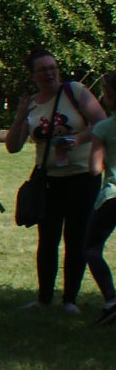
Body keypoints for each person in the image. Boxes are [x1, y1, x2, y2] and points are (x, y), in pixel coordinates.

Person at [7, 48, 107, 311]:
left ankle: (70, 299)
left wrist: (78, 139)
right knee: (47, 239)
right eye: (42, 69)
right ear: (33, 75)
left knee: (76, 238)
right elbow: (13, 147)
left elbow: (101, 122)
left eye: (52, 68)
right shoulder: (32, 104)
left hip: (82, 177)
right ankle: (44, 299)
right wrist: (19, 117)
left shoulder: (75, 91)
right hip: (49, 180)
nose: (50, 73)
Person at [85, 72, 116, 322]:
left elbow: (95, 168)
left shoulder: (103, 128)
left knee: (91, 248)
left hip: (112, 197)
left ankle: (112, 300)